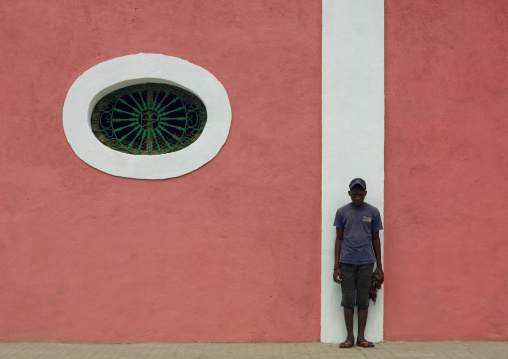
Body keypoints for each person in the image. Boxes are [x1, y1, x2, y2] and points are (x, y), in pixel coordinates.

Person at [333, 178, 384, 348]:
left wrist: (379, 266)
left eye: (360, 194)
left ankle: (361, 338)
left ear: (365, 193)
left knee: (363, 301)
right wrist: (336, 267)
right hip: (346, 263)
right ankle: (349, 338)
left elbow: (376, 239)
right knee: (348, 300)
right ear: (349, 194)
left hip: (366, 263)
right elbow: (338, 239)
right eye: (354, 194)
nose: (357, 197)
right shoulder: (342, 212)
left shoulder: (373, 212)